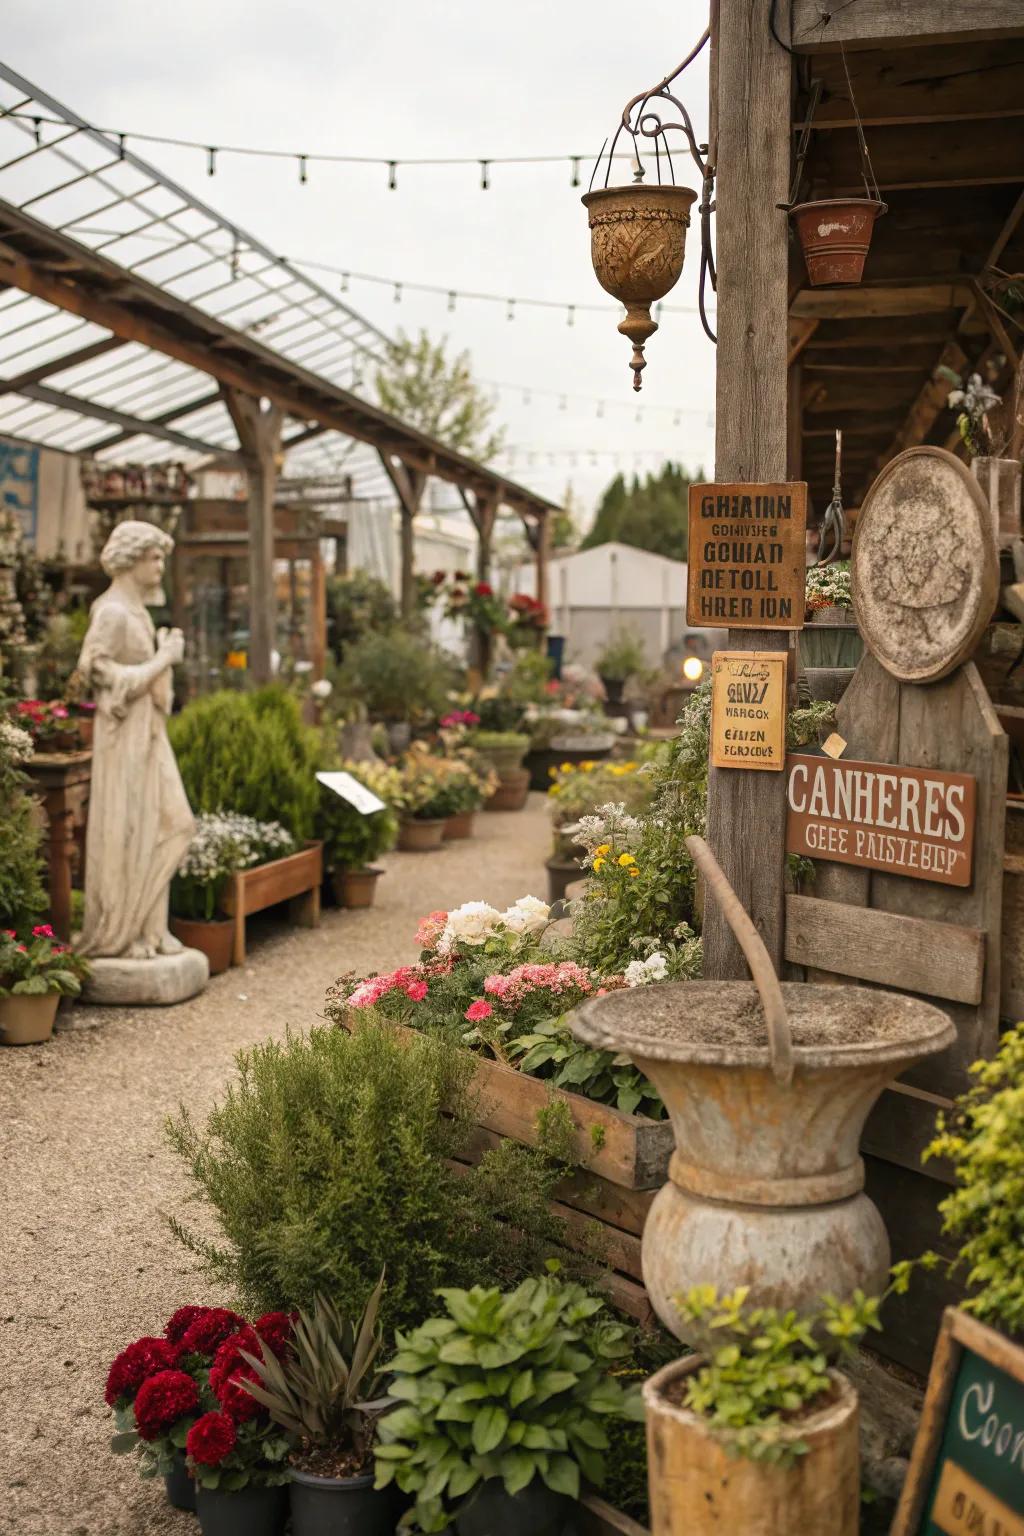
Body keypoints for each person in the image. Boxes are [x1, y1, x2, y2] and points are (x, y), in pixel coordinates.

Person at [77, 520, 194, 959]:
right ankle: (126, 934)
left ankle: (151, 928)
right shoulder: (111, 612)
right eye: (154, 557)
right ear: (131, 559)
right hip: (124, 736)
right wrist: (163, 659)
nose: (160, 566)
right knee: (133, 829)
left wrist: (162, 659)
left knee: (171, 824)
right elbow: (97, 672)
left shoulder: (139, 612)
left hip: (149, 731)